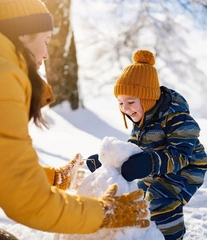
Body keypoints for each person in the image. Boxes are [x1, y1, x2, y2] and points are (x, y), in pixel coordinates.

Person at [0, 1, 151, 239]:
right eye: (45, 40)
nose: (45, 54)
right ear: (23, 33)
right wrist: (104, 214)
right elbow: (26, 200)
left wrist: (52, 179)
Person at [87, 49, 207, 240]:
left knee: (160, 199)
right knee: (138, 196)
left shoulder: (177, 117)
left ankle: (172, 237)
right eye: (120, 103)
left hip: (188, 167)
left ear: (148, 98)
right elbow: (133, 149)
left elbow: (181, 154)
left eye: (130, 102)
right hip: (159, 166)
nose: (125, 109)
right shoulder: (142, 120)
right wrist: (111, 163)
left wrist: (148, 163)